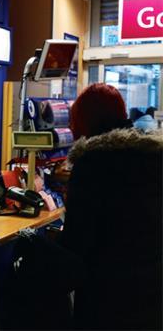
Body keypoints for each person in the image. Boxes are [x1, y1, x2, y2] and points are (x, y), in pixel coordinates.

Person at [62, 83, 162, 329]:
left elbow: (77, 244)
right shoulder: (154, 157)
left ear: (84, 120)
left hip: (108, 297)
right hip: (154, 293)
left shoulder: (92, 164)